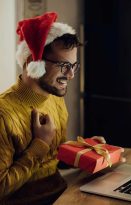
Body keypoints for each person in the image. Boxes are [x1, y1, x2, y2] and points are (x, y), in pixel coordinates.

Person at [0, 12, 82, 204]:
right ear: (32, 63)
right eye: (63, 65)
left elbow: (54, 158)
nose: (70, 75)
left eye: (73, 65)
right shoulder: (3, 115)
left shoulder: (55, 97)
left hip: (62, 195)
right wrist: (40, 144)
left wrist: (85, 151)